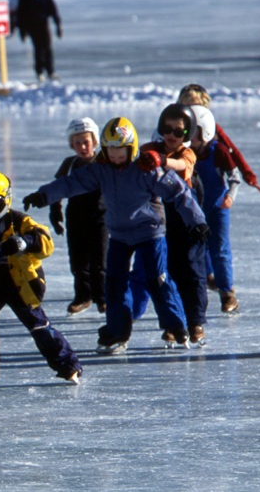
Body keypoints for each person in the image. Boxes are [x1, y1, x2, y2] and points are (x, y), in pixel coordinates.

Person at [22, 117, 209, 354]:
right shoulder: (101, 169)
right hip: (119, 235)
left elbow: (178, 192)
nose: (116, 157)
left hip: (149, 232)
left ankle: (177, 326)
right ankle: (118, 332)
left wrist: (198, 221)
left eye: (121, 151)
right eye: (111, 151)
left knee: (157, 279)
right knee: (115, 283)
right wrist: (43, 196)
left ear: (131, 149)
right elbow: (72, 183)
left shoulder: (146, 169)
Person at [0, 171, 81, 384]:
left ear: (6, 200)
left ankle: (68, 365)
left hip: (21, 282)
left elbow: (46, 243)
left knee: (39, 326)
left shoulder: (20, 222)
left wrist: (24, 242)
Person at [131, 103, 208, 344]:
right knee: (164, 271)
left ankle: (195, 321)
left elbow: (181, 166)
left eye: (179, 132)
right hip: (158, 217)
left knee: (191, 269)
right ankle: (173, 324)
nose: (172, 135)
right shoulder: (150, 149)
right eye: (168, 129)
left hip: (185, 216)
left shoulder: (186, 153)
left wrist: (161, 160)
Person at [47, 117, 106, 315]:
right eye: (77, 142)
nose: (82, 146)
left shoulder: (104, 161)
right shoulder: (69, 164)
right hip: (76, 218)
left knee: (100, 261)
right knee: (78, 262)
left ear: (95, 141)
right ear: (71, 144)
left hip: (100, 219)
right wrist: (55, 211)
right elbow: (57, 188)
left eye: (86, 142)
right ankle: (83, 296)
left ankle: (102, 296)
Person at [190, 104, 243, 315]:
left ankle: (227, 292)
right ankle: (203, 290)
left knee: (220, 249)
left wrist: (230, 197)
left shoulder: (218, 151)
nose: (188, 136)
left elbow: (234, 177)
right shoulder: (185, 154)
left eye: (192, 131)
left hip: (217, 208)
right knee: (198, 250)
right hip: (195, 211)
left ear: (205, 131)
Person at [11, 0, 61, 83]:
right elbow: (21, 15)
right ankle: (40, 72)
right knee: (38, 49)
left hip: (44, 24)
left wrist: (58, 25)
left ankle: (50, 71)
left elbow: (53, 9)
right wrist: (22, 31)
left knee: (47, 48)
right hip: (32, 26)